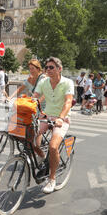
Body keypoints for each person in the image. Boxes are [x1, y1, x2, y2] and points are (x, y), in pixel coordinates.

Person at [32, 57, 74, 194]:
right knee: (32, 139)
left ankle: (52, 178)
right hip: (47, 115)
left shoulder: (68, 83)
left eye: (51, 67)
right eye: (46, 67)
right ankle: (45, 158)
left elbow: (68, 102)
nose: (48, 70)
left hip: (62, 118)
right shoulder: (44, 82)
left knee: (53, 146)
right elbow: (35, 97)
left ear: (59, 69)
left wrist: (61, 118)